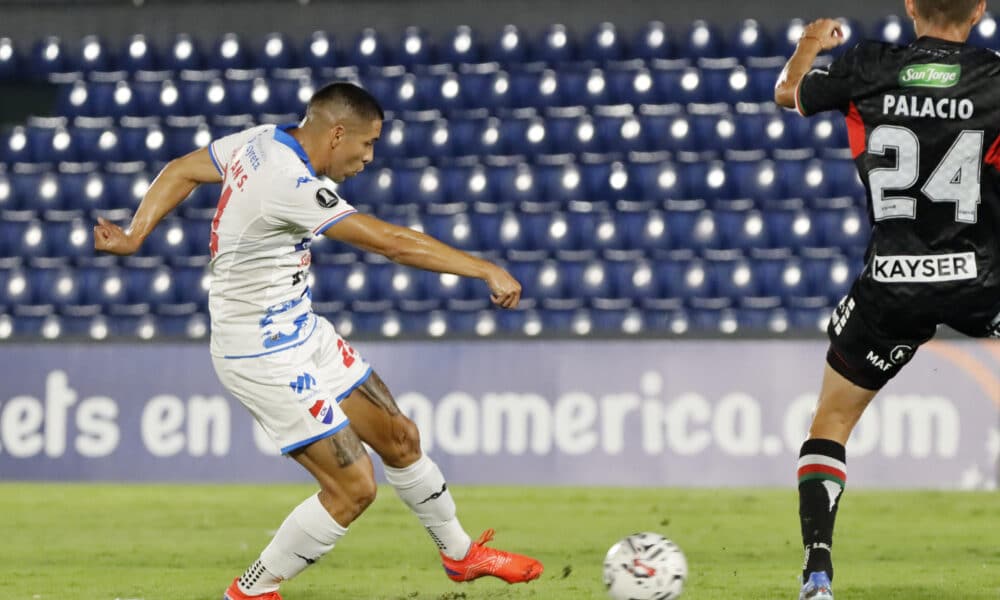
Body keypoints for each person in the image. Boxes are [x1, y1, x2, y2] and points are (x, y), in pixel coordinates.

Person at [94, 82, 543, 600]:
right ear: (336, 134)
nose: (369, 158)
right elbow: (392, 243)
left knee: (400, 437)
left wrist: (135, 234)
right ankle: (249, 592)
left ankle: (461, 556)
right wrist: (483, 269)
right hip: (258, 352)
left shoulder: (262, 140)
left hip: (300, 329)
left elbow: (182, 168)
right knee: (353, 487)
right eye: (367, 144)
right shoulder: (286, 181)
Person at [774, 1, 1000, 598]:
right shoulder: (995, 78)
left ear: (909, 5)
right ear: (980, 10)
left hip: (894, 280)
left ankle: (817, 571)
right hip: (984, 276)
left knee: (832, 419)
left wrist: (809, 43)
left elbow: (787, 93)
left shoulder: (868, 66)